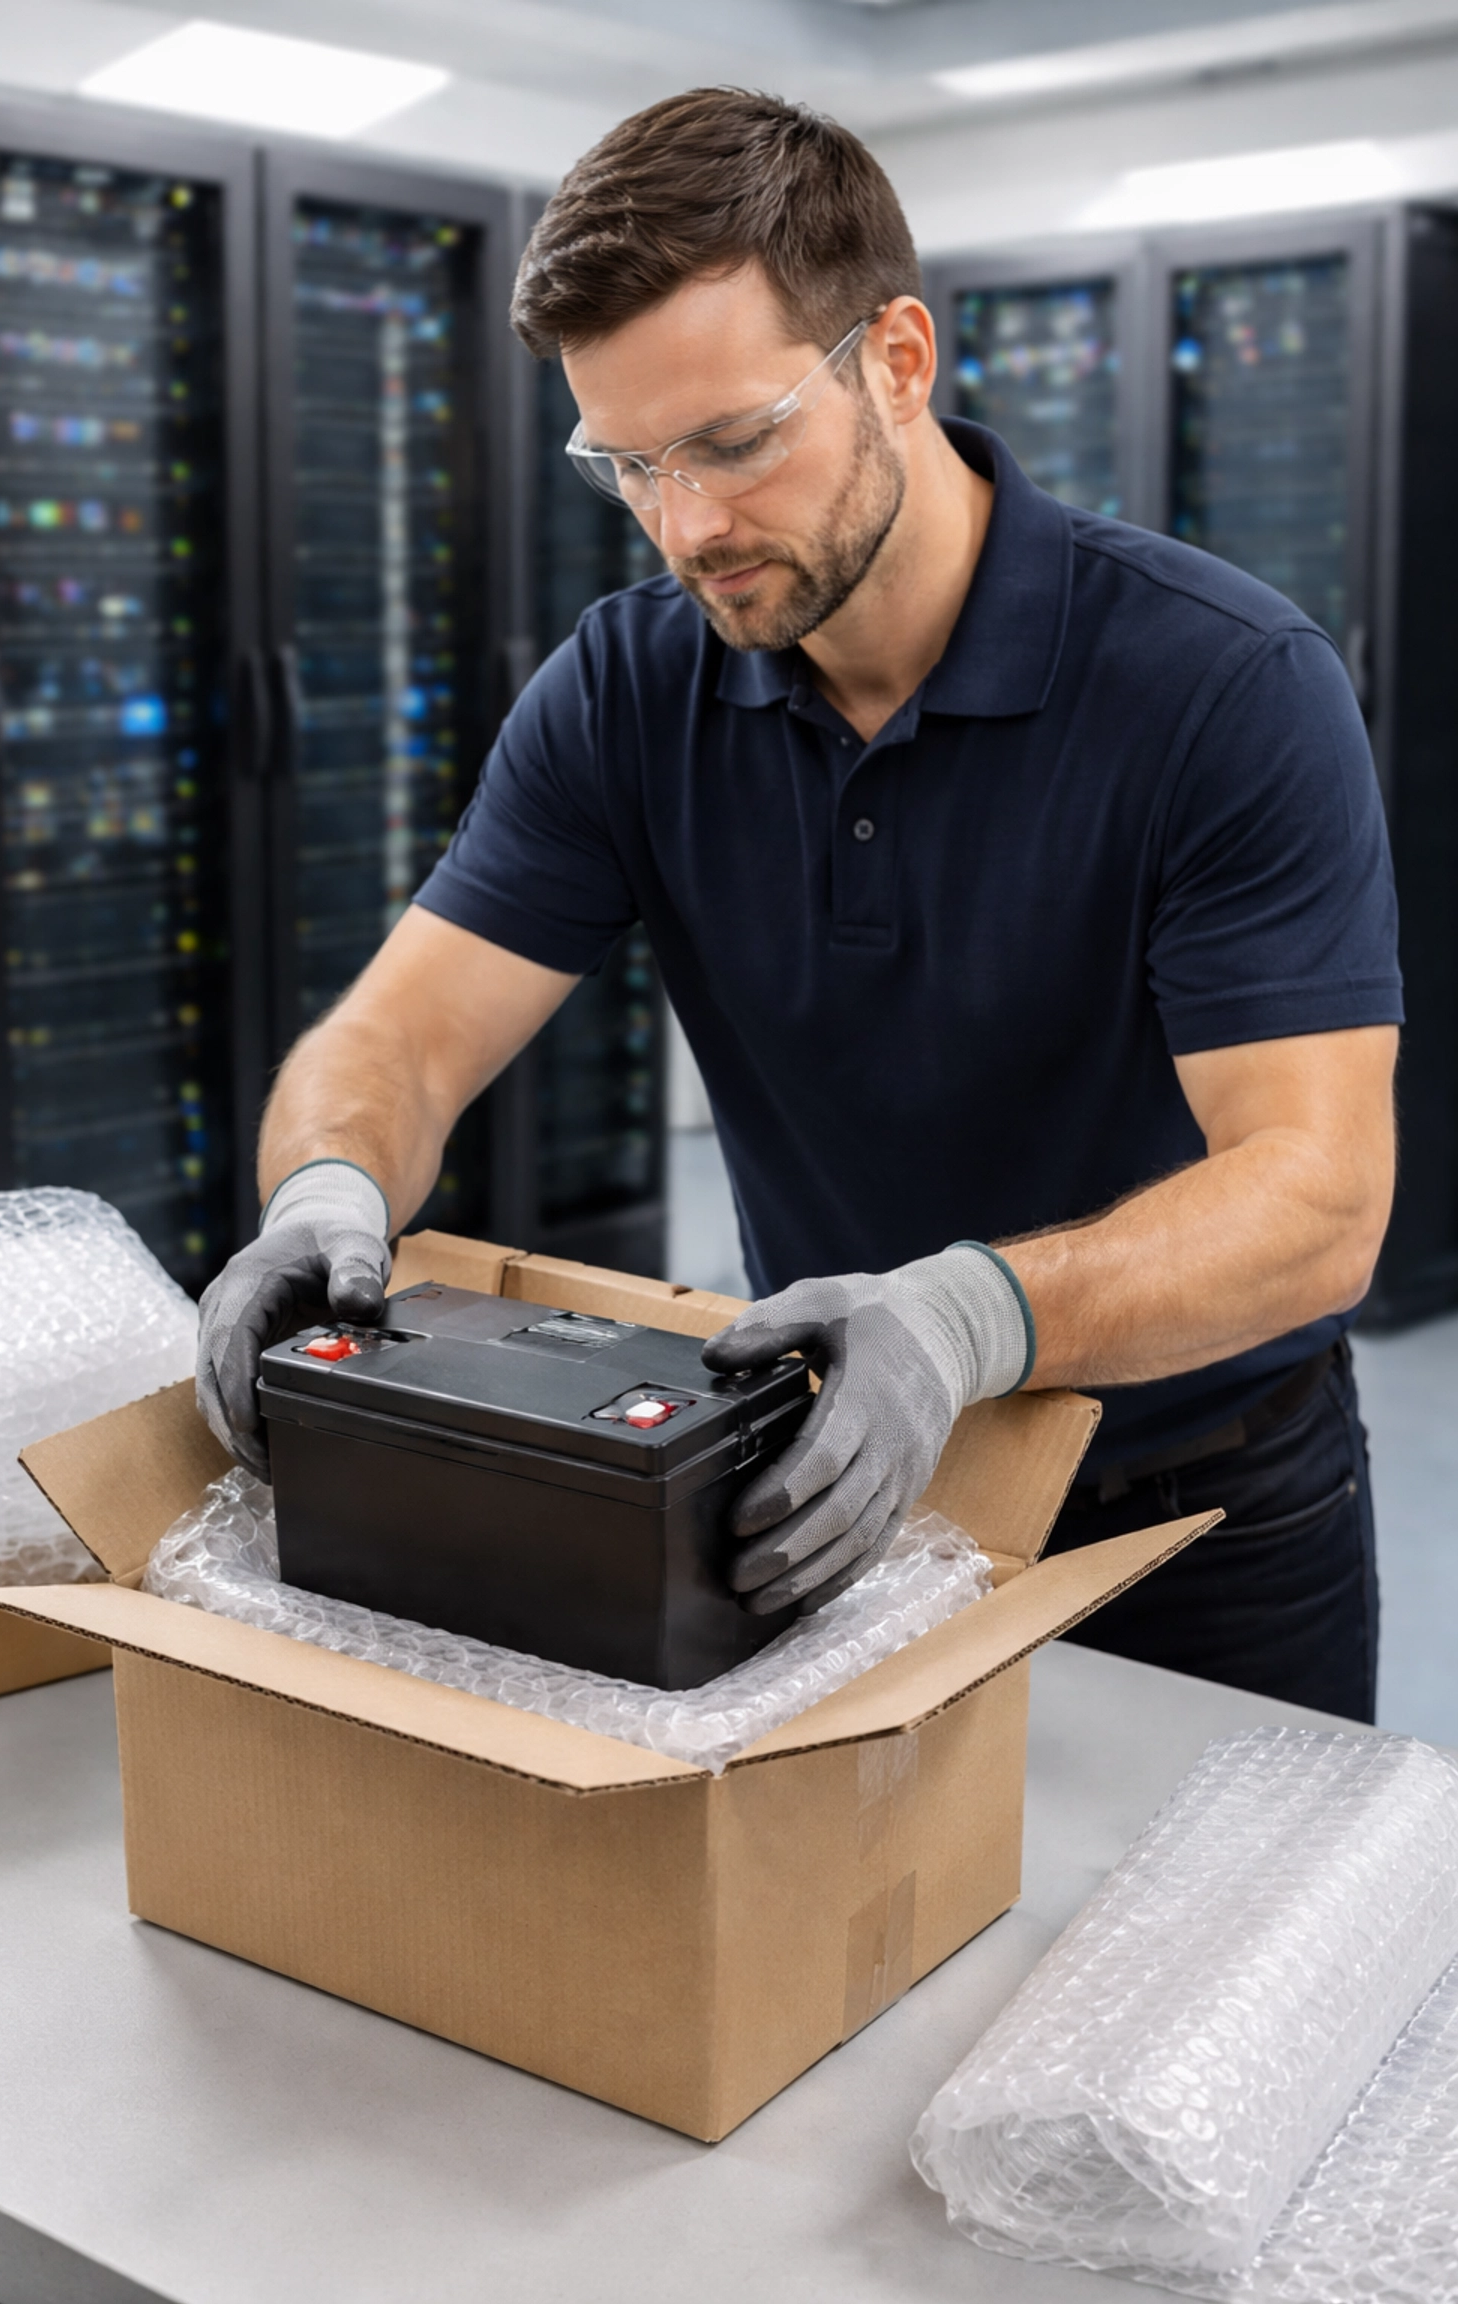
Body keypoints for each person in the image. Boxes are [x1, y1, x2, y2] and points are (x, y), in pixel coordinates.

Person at [197, 89, 1401, 1722]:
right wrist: (323, 1191)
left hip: (1198, 1512)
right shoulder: (625, 692)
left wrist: (972, 1317)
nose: (687, 527)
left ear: (895, 361)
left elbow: (1321, 1196)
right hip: (808, 1498)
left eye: (735, 440)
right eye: (627, 465)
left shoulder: (1223, 685)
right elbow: (400, 1039)